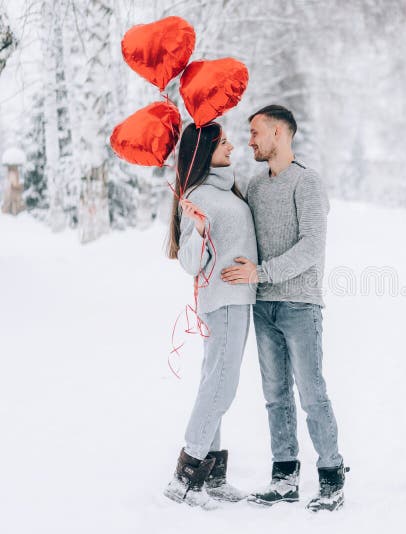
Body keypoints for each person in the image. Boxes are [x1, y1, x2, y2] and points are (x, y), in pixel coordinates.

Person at [221, 105, 347, 512]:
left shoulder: (308, 183)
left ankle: (331, 476)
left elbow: (311, 247)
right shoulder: (256, 187)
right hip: (264, 306)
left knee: (311, 393)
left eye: (256, 132)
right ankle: (284, 477)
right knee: (275, 395)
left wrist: (263, 273)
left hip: (300, 304)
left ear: (279, 133)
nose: (250, 140)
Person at [163, 122, 258, 509]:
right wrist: (199, 229)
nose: (231, 146)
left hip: (237, 299)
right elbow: (189, 262)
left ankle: (213, 477)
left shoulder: (223, 189)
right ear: (204, 151)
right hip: (224, 300)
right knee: (221, 385)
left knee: (215, 382)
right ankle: (185, 478)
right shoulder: (200, 196)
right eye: (222, 143)